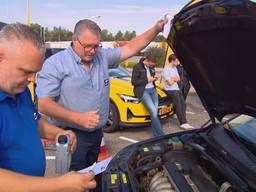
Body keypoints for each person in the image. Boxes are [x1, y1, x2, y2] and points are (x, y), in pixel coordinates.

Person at [36, 18, 167, 190]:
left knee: (90, 174)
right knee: (73, 182)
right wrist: (78, 118)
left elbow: (131, 47)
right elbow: (44, 104)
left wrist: (156, 29)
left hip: (96, 134)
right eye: (87, 46)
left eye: (96, 46)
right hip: (72, 136)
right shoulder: (56, 64)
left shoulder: (102, 57)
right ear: (74, 40)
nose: (92, 51)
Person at [0, 23, 96, 192]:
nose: (32, 79)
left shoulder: (20, 90)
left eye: (35, 72)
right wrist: (58, 185)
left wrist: (57, 133)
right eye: (25, 71)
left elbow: (32, 121)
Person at [131, 51, 164, 137]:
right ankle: (161, 135)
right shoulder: (137, 67)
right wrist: (147, 80)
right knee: (153, 112)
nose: (152, 66)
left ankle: (156, 136)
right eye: (151, 64)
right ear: (147, 60)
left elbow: (152, 77)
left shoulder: (151, 67)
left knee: (155, 113)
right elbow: (134, 82)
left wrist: (154, 78)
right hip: (143, 91)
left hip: (153, 90)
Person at [162, 54, 194, 130]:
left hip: (176, 88)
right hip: (170, 90)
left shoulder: (175, 68)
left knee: (183, 104)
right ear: (172, 61)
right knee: (178, 105)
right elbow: (169, 82)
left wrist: (173, 79)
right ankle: (182, 123)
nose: (179, 62)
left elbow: (178, 79)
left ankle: (185, 122)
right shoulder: (166, 69)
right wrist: (174, 79)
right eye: (177, 60)